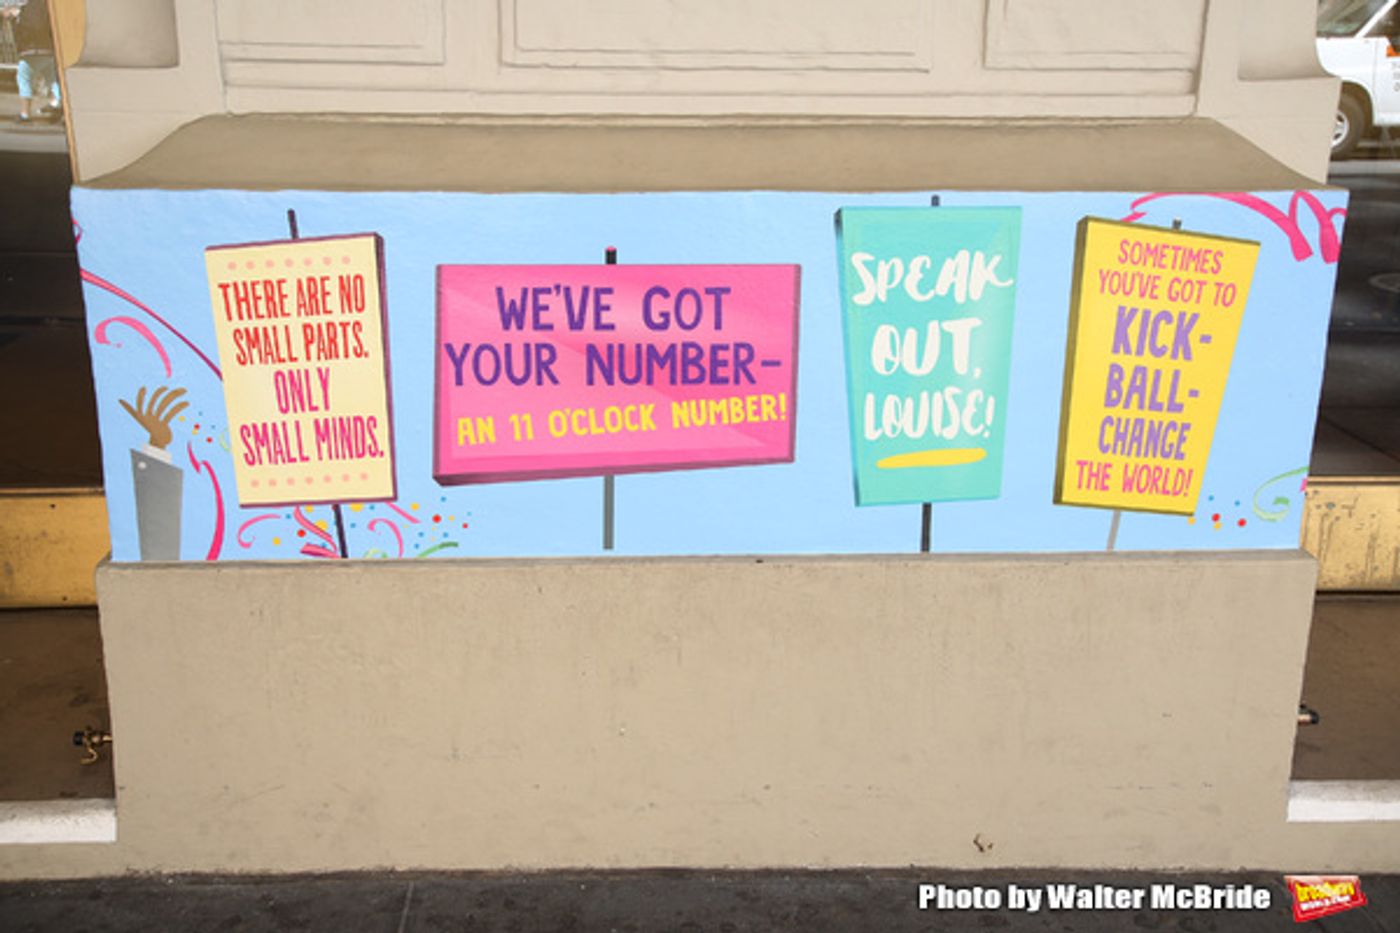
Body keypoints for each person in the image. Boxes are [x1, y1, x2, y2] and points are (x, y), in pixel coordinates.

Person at [3, 0, 60, 123]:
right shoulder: (47, 7)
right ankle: (57, 104)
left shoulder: (27, 8)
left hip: (31, 50)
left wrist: (14, 15)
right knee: (53, 79)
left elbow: (23, 21)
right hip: (49, 49)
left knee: (23, 79)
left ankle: (25, 114)